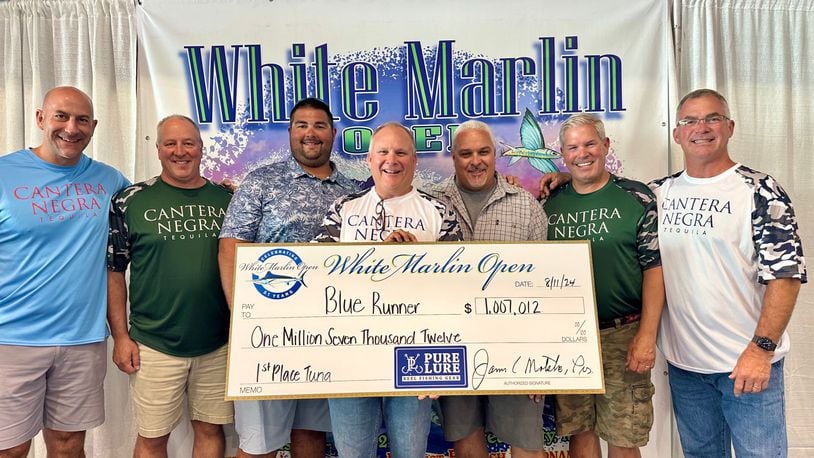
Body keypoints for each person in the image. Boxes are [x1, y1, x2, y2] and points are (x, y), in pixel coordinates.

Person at [651, 89, 806, 457]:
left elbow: (785, 277)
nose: (701, 128)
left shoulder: (760, 191)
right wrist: (563, 180)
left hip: (746, 365)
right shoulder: (659, 193)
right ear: (676, 133)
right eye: (690, 120)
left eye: (712, 118)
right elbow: (605, 192)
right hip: (686, 367)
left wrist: (761, 349)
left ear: (730, 126)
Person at [218, 98, 359, 458]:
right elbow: (231, 247)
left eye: (319, 126)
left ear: (333, 133)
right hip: (268, 332)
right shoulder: (261, 182)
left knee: (311, 435)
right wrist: (242, 317)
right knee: (258, 444)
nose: (310, 134)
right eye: (302, 125)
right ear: (290, 132)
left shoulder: (355, 192)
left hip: (330, 334)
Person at [313, 122, 462, 457]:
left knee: (410, 452)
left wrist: (417, 258)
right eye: (383, 151)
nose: (390, 160)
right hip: (349, 355)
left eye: (401, 152)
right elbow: (318, 280)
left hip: (417, 355)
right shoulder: (344, 209)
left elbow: (459, 291)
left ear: (414, 160)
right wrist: (377, 258)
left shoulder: (439, 212)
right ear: (369, 158)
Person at [0, 86, 130, 457]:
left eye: (82, 120)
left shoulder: (111, 181)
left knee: (69, 445)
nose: (71, 128)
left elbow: (148, 213)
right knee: (9, 449)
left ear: (94, 126)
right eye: (61, 116)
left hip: (81, 339)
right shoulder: (4, 173)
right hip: (11, 340)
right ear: (40, 118)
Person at [107, 115, 233, 457]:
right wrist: (120, 336)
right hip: (154, 343)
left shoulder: (228, 200)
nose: (180, 151)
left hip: (219, 342)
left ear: (201, 148)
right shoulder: (129, 200)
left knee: (210, 429)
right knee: (152, 437)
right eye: (171, 144)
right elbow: (114, 271)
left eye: (188, 143)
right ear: (159, 149)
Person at [543, 113, 664, 458]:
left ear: (606, 145)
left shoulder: (636, 197)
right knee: (579, 430)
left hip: (623, 333)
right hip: (569, 336)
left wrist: (646, 335)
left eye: (590, 143)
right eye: (573, 147)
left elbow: (654, 268)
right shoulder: (549, 202)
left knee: (624, 434)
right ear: (563, 155)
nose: (582, 153)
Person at [428, 120, 548, 458]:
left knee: (526, 439)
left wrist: (545, 358)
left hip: (517, 343)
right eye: (465, 153)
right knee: (465, 437)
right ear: (453, 157)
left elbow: (546, 287)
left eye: (483, 152)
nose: (475, 160)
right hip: (453, 344)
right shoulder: (432, 205)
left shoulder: (525, 204)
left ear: (495, 155)